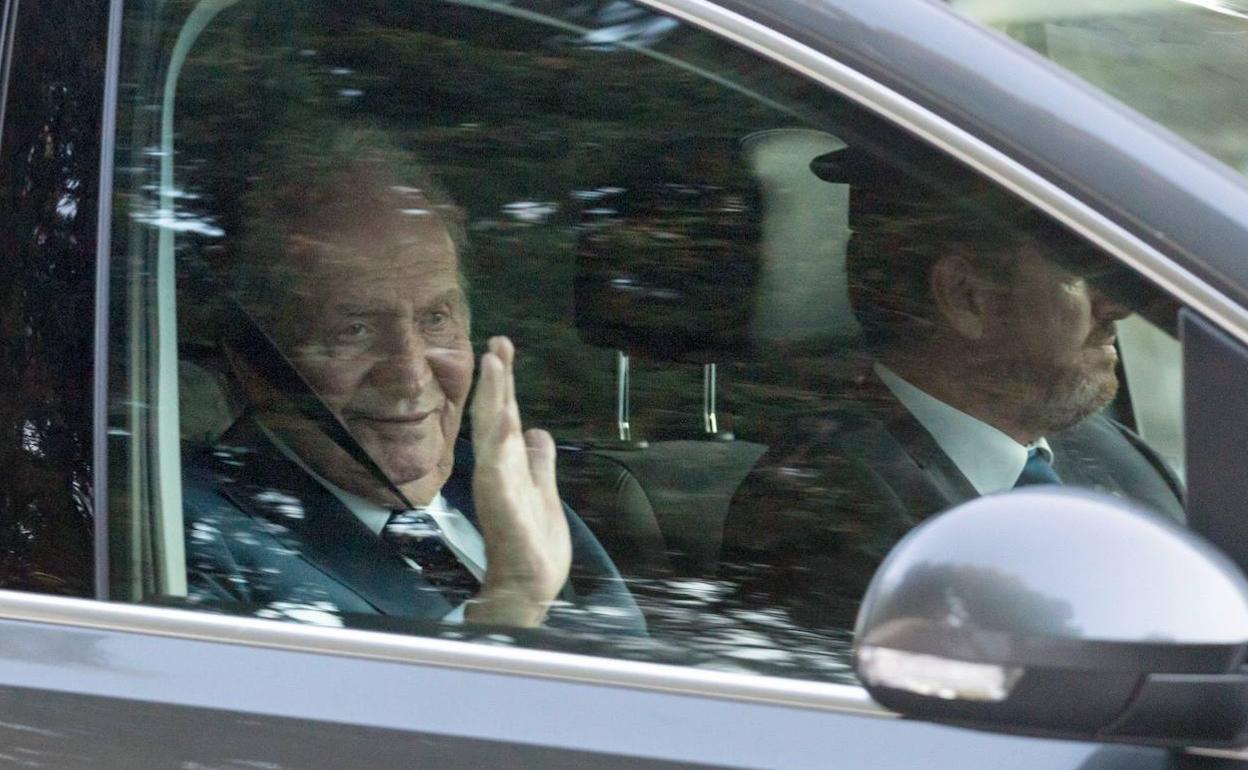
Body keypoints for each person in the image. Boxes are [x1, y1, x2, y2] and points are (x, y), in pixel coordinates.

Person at [182, 143, 643, 634]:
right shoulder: (194, 529)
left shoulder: (502, 485)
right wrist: (507, 610)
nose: (411, 375)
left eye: (436, 319)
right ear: (254, 366)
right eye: (354, 329)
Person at [721, 146, 1183, 633]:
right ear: (967, 297)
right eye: (1079, 274)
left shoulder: (1122, 462)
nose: (1117, 306)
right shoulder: (824, 508)